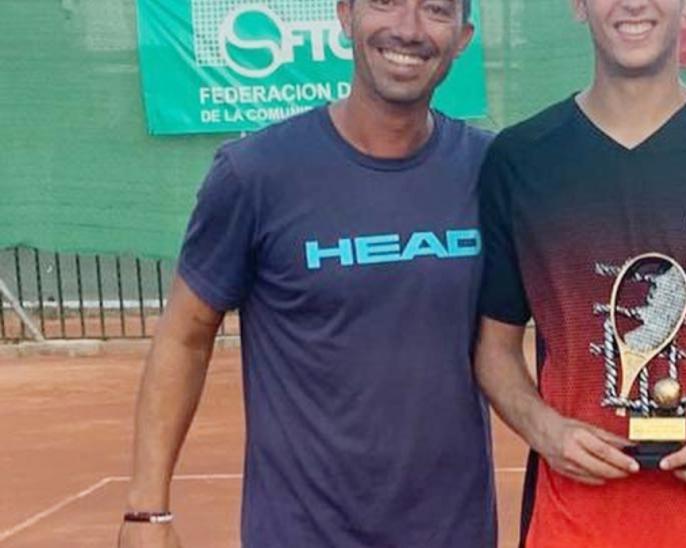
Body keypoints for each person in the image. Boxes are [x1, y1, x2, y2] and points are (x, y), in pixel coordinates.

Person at [120, 1, 496, 546]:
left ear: (462, 38)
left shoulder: (490, 171)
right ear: (345, 16)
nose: (408, 29)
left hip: (453, 532)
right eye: (385, 3)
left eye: (435, 10)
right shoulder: (254, 172)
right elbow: (184, 335)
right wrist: (146, 511)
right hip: (300, 532)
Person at [472, 0, 686, 546]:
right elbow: (495, 347)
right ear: (578, 7)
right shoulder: (520, 159)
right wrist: (546, 430)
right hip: (574, 522)